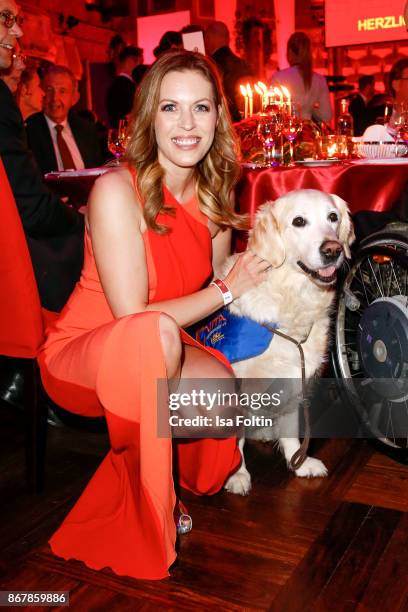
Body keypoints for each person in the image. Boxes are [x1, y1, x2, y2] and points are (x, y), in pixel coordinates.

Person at [38, 50, 269, 580]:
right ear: (149, 117)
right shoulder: (116, 190)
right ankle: (146, 504)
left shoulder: (213, 195)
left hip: (158, 343)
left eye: (201, 108)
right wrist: (229, 291)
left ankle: (156, 467)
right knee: (154, 333)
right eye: (170, 108)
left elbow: (213, 289)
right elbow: (134, 315)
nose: (187, 125)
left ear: (219, 117)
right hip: (85, 352)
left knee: (223, 399)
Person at [0, 1, 84, 312]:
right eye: (7, 18)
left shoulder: (86, 129)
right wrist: (84, 222)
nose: (18, 30)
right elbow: (32, 208)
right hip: (15, 273)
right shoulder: (9, 111)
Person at [25, 65, 104, 174]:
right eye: (49, 90)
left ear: (74, 98)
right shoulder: (29, 130)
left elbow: (98, 171)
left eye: (62, 91)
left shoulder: (86, 129)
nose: (54, 98)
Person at [271, 31, 332, 123]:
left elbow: (272, 111)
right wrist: (309, 109)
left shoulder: (279, 77)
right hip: (308, 131)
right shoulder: (319, 80)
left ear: (290, 51)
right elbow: (326, 116)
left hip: (286, 129)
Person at [204, 20, 253, 122]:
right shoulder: (243, 64)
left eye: (206, 37)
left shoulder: (210, 65)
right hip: (243, 122)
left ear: (209, 37)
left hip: (220, 122)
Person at [106, 45, 143, 128]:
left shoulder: (116, 85)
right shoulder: (126, 86)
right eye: (139, 63)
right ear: (130, 61)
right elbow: (130, 116)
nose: (140, 67)